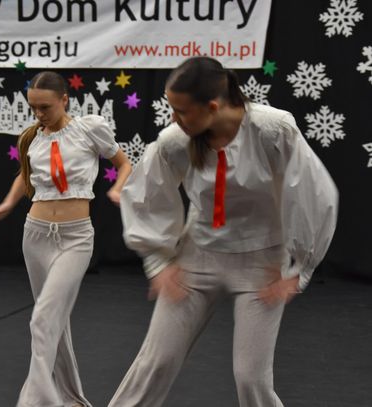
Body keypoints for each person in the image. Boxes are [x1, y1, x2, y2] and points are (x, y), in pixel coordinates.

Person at [109, 56, 338, 406]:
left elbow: (313, 193)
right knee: (156, 362)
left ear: (213, 107)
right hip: (196, 258)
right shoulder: (175, 140)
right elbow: (146, 194)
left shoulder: (273, 129)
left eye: (181, 111)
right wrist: (158, 261)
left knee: (251, 378)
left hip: (262, 263)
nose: (174, 119)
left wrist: (300, 269)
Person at [0, 71, 132, 407]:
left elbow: (123, 164)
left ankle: (33, 400)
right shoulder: (32, 138)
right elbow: (25, 176)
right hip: (35, 235)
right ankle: (73, 399)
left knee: (43, 318)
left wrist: (118, 189)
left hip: (76, 238)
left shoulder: (89, 129)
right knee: (54, 322)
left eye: (45, 107)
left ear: (64, 100)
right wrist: (7, 204)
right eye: (33, 107)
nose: (38, 113)